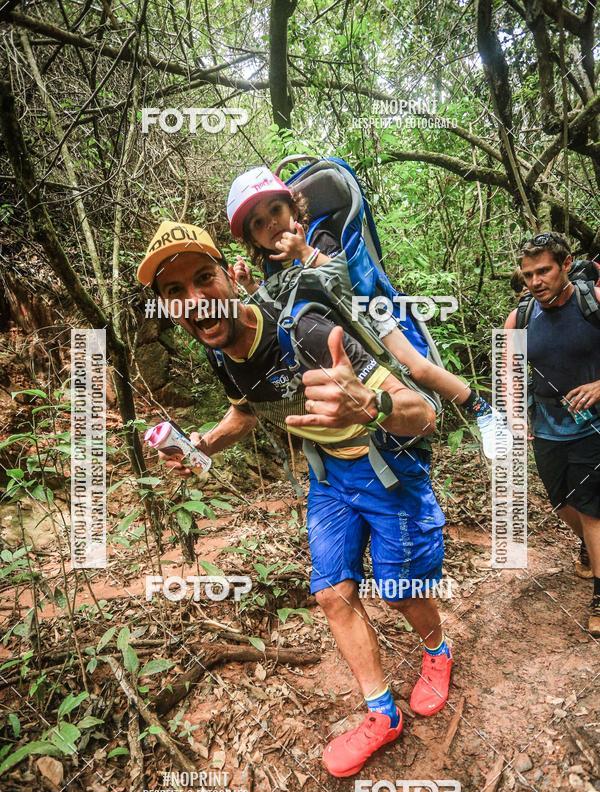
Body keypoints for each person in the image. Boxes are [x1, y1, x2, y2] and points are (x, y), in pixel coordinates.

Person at [136, 220, 454, 778]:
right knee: (334, 595)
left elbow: (425, 413)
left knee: (401, 591)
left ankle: (437, 650)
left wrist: (371, 406)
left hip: (387, 472)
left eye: (203, 278)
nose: (195, 301)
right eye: (174, 293)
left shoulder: (305, 331)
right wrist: (203, 444)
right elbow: (243, 412)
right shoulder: (220, 351)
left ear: (229, 277)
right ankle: (382, 714)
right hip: (328, 479)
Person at [226, 166, 510, 458]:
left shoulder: (318, 237)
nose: (271, 223)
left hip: (367, 311)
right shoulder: (273, 265)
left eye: (275, 210)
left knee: (416, 366)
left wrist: (304, 253)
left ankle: (482, 410)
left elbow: (343, 281)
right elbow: (278, 304)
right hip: (336, 331)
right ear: (253, 239)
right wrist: (250, 285)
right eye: (258, 223)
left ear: (293, 209)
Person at [504, 232, 600, 635]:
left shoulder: (591, 302)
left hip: (593, 426)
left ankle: (599, 593)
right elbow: (508, 367)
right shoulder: (522, 317)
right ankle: (588, 547)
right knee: (562, 503)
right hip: (547, 426)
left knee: (592, 507)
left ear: (565, 264)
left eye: (543, 271)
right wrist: (514, 413)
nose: (535, 281)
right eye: (528, 275)